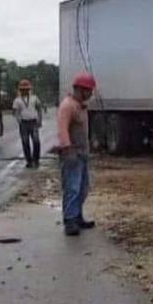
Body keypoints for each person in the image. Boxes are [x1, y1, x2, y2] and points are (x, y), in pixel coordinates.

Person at [57, 72, 97, 237]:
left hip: (82, 153)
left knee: (82, 188)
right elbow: (62, 129)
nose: (91, 94)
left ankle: (77, 216)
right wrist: (68, 150)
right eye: (89, 91)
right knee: (72, 188)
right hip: (72, 154)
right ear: (81, 89)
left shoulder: (80, 106)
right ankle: (70, 221)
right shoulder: (68, 106)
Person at [12, 79, 43, 168]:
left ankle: (36, 160)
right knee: (25, 143)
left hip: (33, 122)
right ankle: (29, 161)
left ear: (29, 89)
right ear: (20, 90)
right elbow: (15, 112)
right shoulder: (17, 100)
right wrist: (19, 120)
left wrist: (39, 120)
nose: (25, 91)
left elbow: (39, 109)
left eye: (26, 89)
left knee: (36, 141)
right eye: (23, 89)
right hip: (24, 123)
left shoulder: (34, 98)